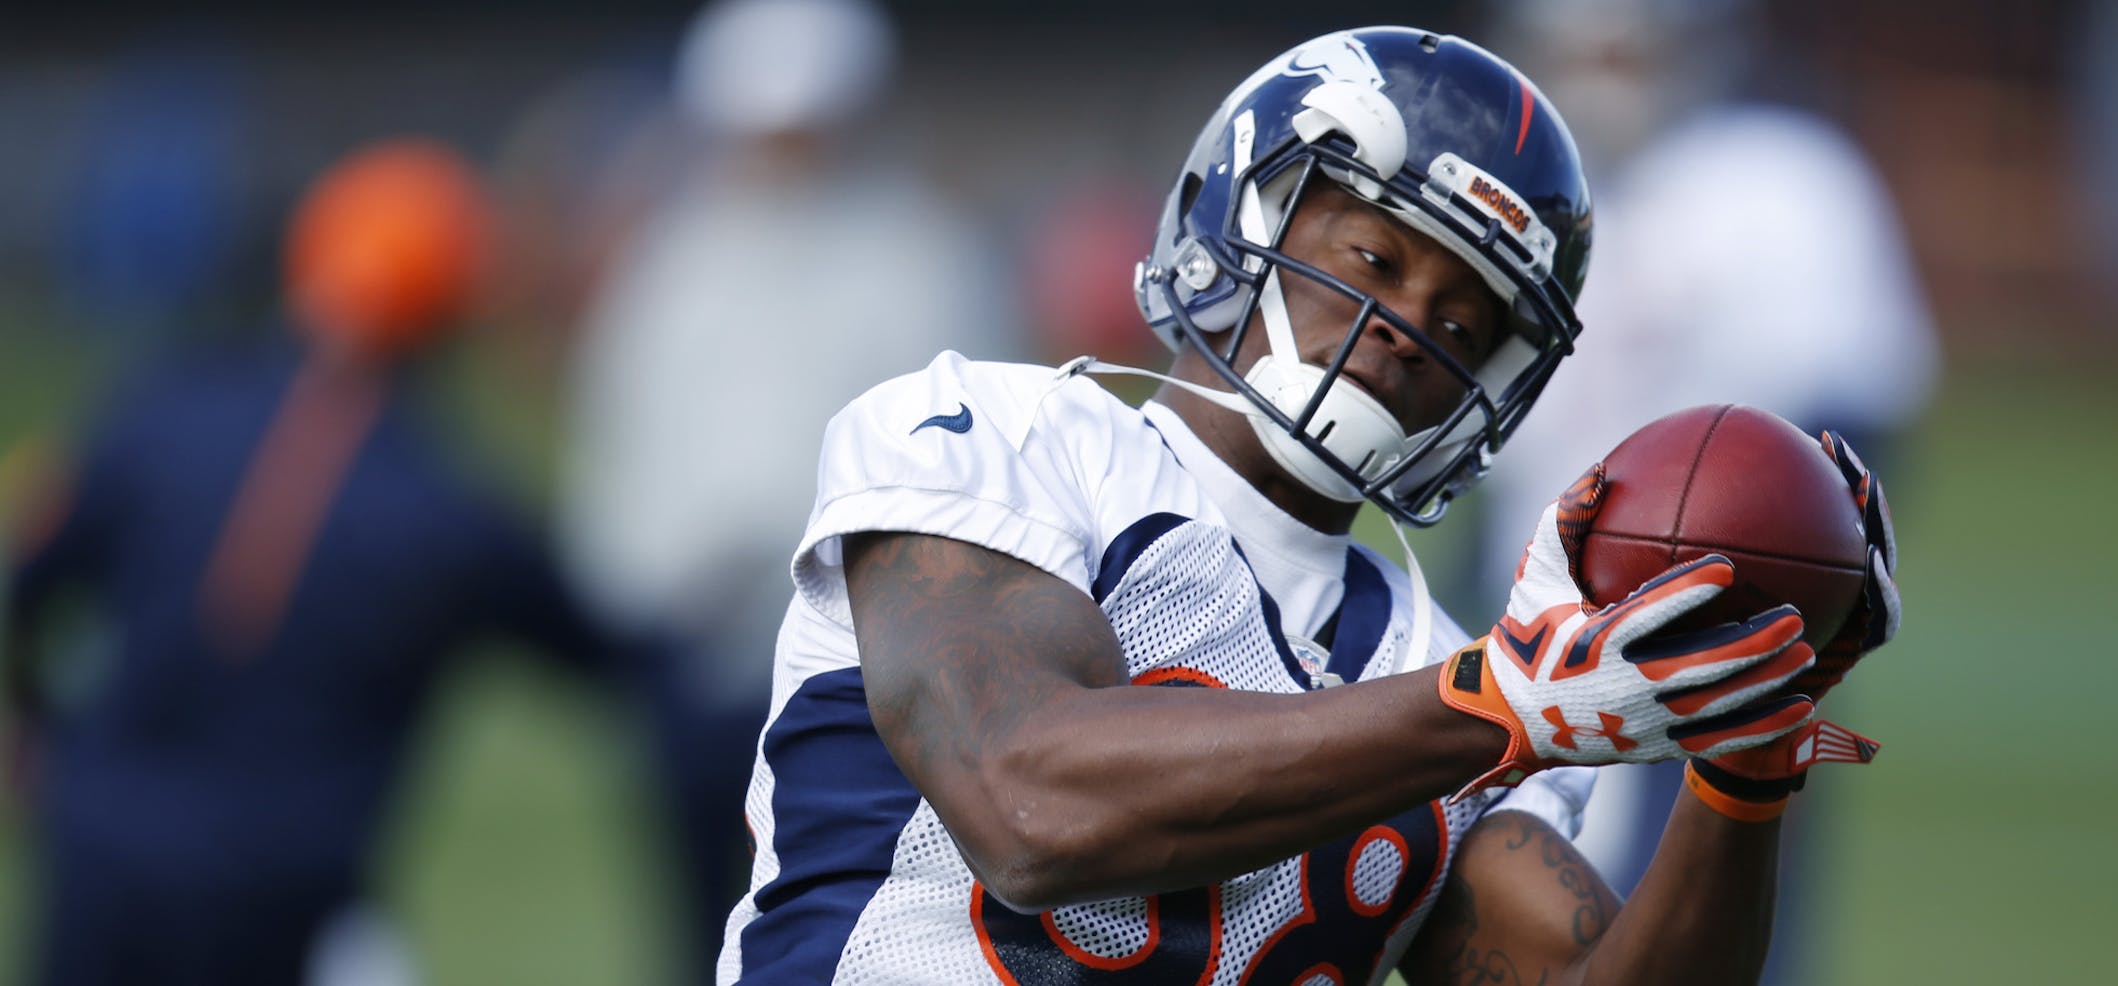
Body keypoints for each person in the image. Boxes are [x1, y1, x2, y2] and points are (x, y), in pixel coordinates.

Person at [714, 26, 1901, 985]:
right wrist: (1499, 705)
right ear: (1246, 213)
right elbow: (1028, 800)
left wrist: (1742, 768)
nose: (1402, 331)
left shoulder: (1439, 662)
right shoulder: (989, 430)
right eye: (1375, 263)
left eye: (1460, 325)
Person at [3, 139, 613, 986]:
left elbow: (26, 580)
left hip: (104, 841)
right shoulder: (448, 508)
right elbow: (607, 654)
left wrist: (34, 723)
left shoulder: (164, 410)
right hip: (284, 881)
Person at [1473, 4, 1937, 977]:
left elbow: (1860, 416)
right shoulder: (1513, 197)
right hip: (1537, 635)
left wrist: (1769, 587)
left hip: (1724, 631)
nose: (1605, 79)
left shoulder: (1781, 184)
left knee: (1715, 917)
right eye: (1582, 54)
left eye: (1625, 52)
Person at [558, 0, 1008, 976]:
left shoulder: (921, 258)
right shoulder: (675, 259)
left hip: (865, 652)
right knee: (694, 912)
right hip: (691, 648)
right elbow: (628, 438)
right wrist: (637, 598)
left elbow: (969, 457)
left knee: (853, 913)